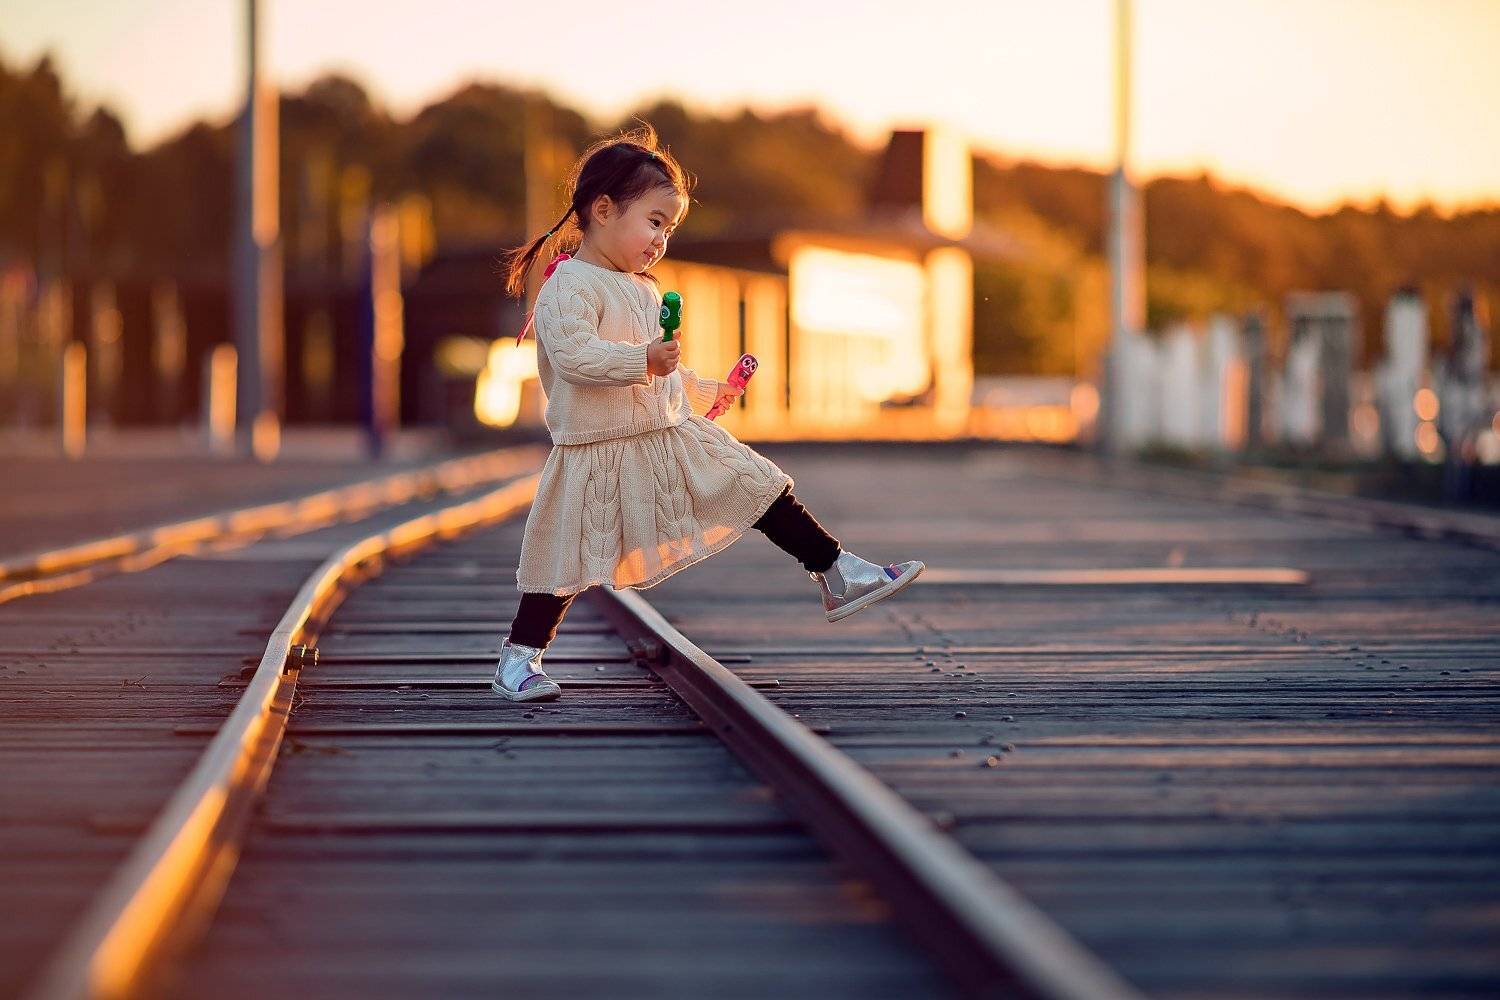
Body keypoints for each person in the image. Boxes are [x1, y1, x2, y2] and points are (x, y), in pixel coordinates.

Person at [491, 125, 924, 702]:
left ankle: (839, 570)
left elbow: (666, 370)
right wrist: (643, 358)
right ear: (602, 209)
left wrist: (703, 390)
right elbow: (575, 357)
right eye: (653, 222)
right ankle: (518, 660)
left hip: (667, 434)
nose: (659, 241)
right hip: (596, 449)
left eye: (667, 229)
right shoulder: (568, 286)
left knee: (759, 483)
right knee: (560, 561)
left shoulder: (642, 288)